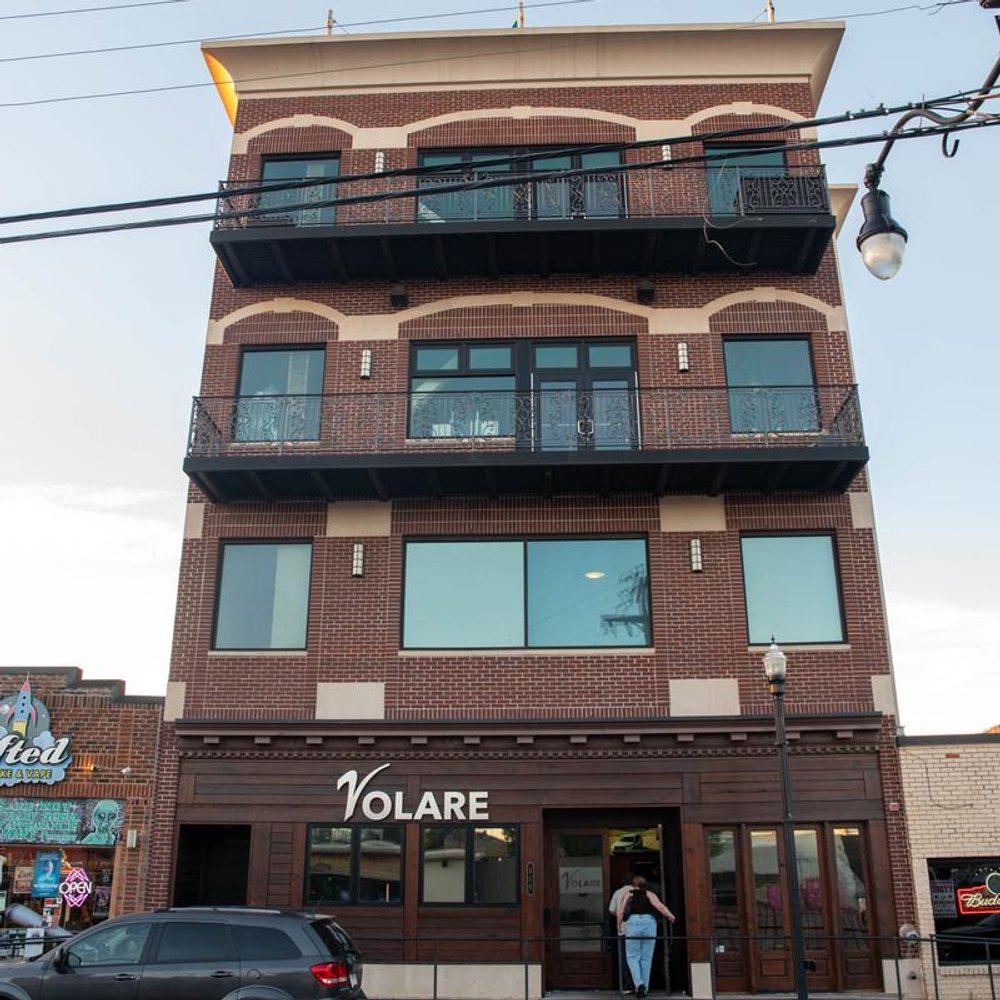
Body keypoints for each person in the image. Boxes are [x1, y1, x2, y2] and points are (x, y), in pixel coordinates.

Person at [617, 874, 675, 999]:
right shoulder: (650, 894)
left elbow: (620, 911)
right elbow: (660, 906)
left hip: (633, 923)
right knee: (646, 958)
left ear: (633, 884)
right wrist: (670, 916)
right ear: (645, 885)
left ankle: (639, 984)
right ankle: (645, 988)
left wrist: (619, 926)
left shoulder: (629, 894)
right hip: (649, 923)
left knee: (632, 956)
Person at [608, 876, 635, 992]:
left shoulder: (618, 892)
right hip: (638, 929)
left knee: (624, 957)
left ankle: (627, 984)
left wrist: (620, 917)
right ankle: (639, 983)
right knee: (637, 957)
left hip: (623, 929)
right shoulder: (637, 892)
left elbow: (612, 910)